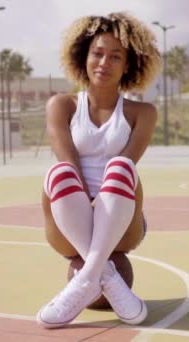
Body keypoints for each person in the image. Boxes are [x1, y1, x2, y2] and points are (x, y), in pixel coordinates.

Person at [36, 12, 161, 329]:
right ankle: (102, 277)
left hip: (120, 218)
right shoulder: (61, 106)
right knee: (58, 174)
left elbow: (129, 164)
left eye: (115, 56)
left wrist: (100, 204)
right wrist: (87, 206)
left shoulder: (142, 113)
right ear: (84, 56)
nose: (104, 62)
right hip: (70, 214)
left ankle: (82, 283)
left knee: (121, 167)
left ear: (128, 65)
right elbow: (69, 164)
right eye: (98, 53)